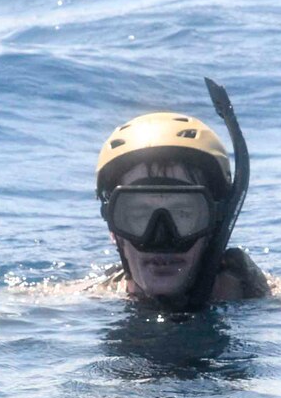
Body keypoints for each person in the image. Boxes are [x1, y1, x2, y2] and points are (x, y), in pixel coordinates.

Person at [96, 78, 269, 309]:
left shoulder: (267, 300)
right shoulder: (79, 300)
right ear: (113, 227)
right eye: (139, 215)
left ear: (215, 221)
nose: (161, 239)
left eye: (184, 214)